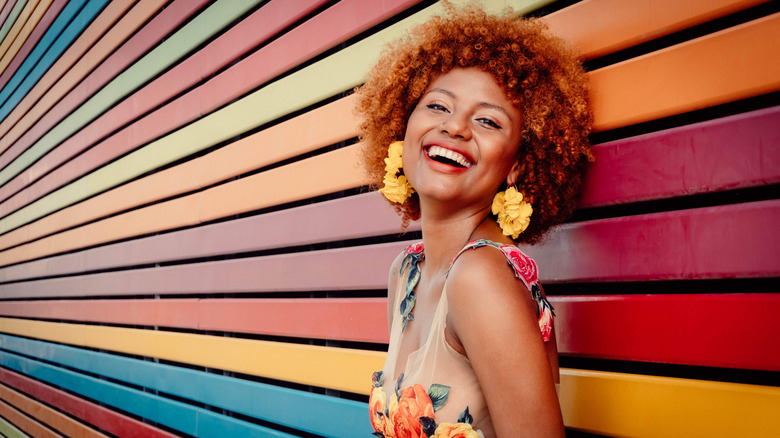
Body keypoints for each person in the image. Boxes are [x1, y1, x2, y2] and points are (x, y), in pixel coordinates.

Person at [355, 4, 592, 437]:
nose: (456, 127)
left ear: (518, 166)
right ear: (403, 126)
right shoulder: (406, 271)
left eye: (487, 120)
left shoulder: (480, 278)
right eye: (438, 106)